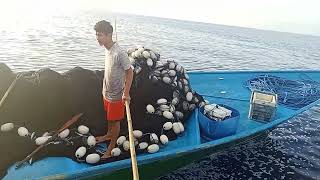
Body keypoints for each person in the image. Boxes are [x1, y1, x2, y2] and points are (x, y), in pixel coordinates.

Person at [94, 20, 133, 159]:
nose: (97, 38)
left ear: (109, 34)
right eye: (96, 34)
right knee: (109, 117)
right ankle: (108, 134)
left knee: (115, 121)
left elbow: (129, 72)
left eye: (100, 35)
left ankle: (110, 149)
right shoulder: (107, 48)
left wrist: (126, 93)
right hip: (107, 92)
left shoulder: (119, 52)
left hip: (117, 95)